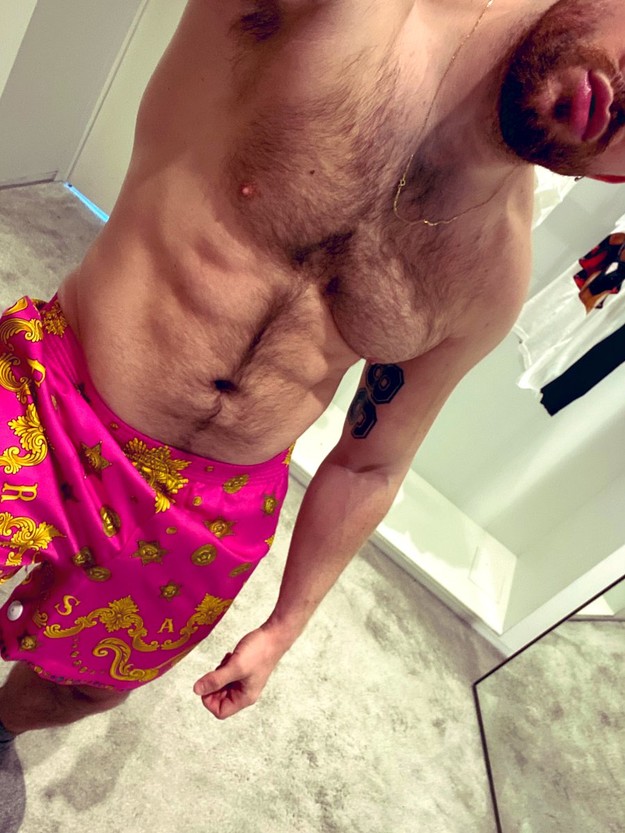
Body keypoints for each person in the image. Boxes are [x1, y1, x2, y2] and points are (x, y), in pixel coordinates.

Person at [0, 0, 624, 744]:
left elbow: (371, 464)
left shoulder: (490, 276)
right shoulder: (326, 16)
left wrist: (285, 624)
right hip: (53, 394)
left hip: (212, 511)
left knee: (85, 686)